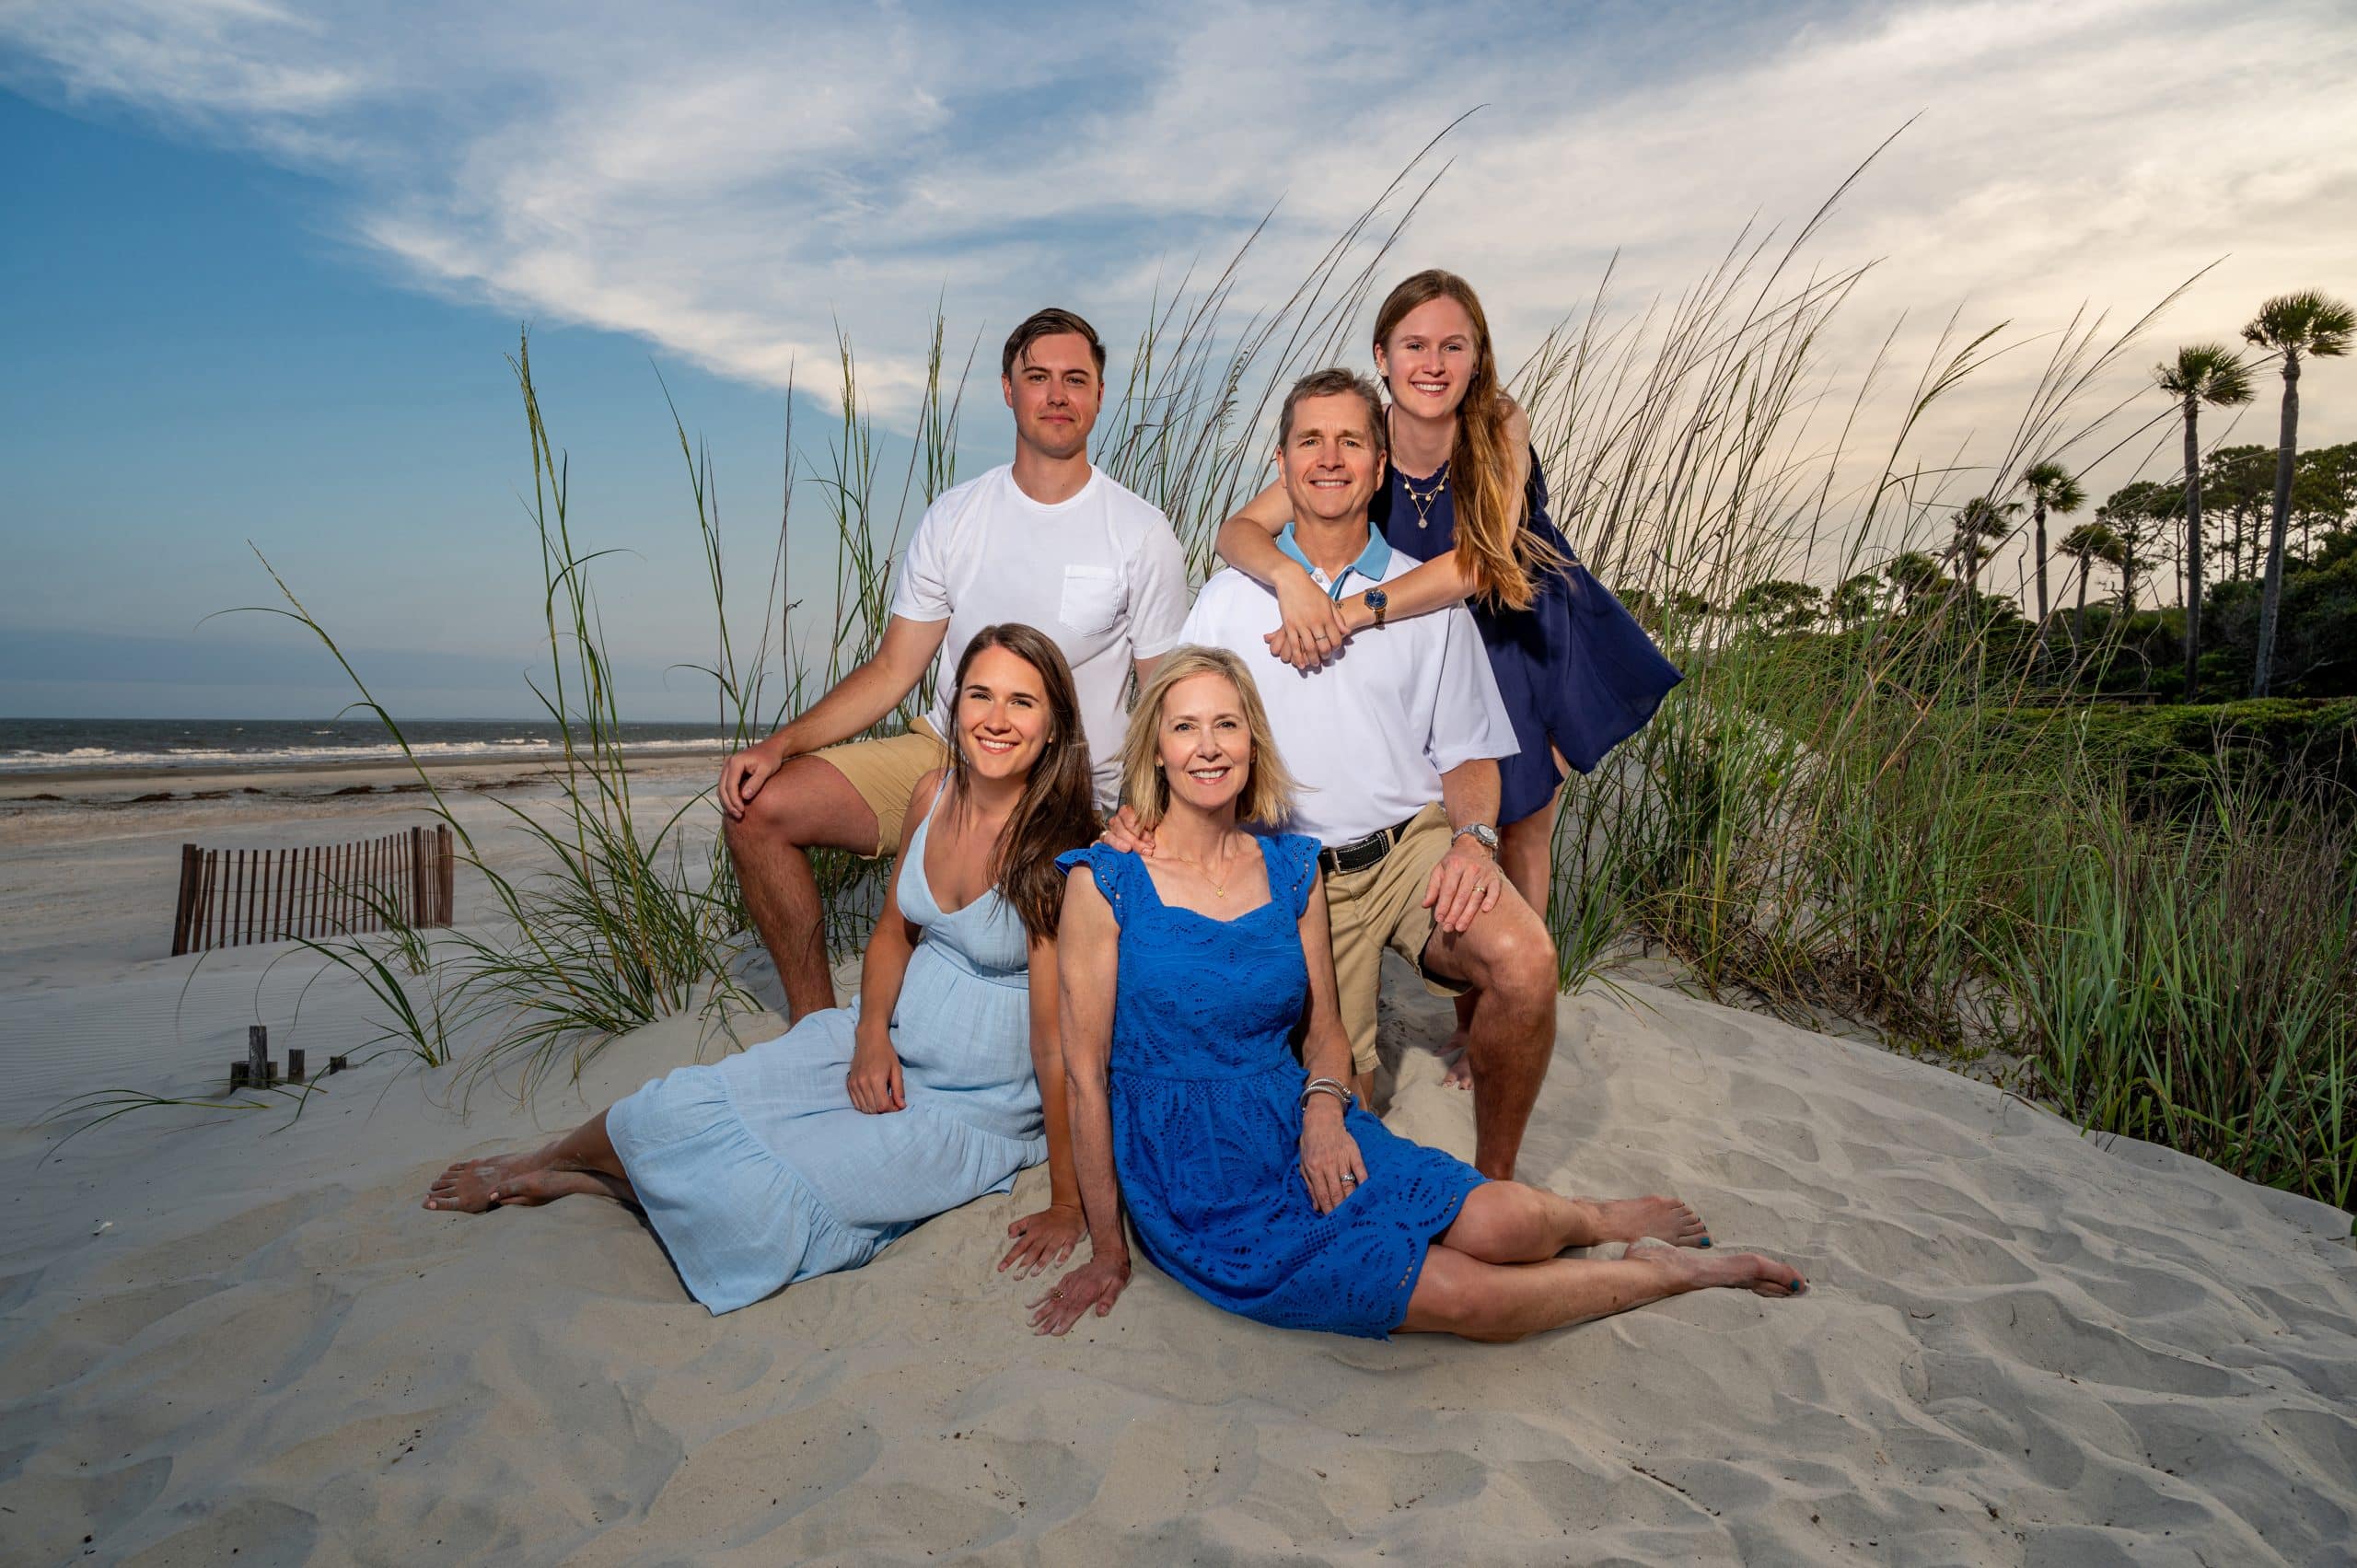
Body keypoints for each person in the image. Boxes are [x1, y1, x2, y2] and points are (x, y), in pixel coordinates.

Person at [1030, 646, 1805, 1342]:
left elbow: (1326, 1035)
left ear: (1251, 742)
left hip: (1298, 1123)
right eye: (1186, 728)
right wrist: (1108, 1247)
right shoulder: (1106, 884)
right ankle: (1670, 1273)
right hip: (1199, 1174)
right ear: (1155, 752)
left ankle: (1595, 1219)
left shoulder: (1290, 869)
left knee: (1506, 1219)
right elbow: (1087, 1076)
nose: (1208, 747)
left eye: (1226, 725)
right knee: (1472, 1300)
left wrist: (1326, 1115)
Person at [424, 625, 1099, 1315]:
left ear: (1053, 726)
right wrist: (870, 1032)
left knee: (760, 1203)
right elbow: (895, 933)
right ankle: (546, 1160)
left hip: (970, 1106)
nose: (996, 718)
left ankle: (591, 1182)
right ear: (954, 708)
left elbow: (1054, 1045)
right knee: (672, 1106)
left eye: (1022, 702)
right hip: (889, 1040)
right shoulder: (932, 794)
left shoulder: (1056, 846)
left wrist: (1068, 1202)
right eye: (980, 694)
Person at [1213, 271, 1681, 1085]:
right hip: (1427, 628)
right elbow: (1238, 531)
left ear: (1476, 357)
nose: (1433, 363)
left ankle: (1505, 1014)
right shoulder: (1361, 436)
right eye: (1415, 345)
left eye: (1452, 346)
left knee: (1525, 813)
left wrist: (1354, 611)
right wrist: (1292, 581)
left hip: (1515, 619)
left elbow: (1481, 561)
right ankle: (1469, 1000)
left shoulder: (1497, 421)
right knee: (1442, 799)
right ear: (1383, 356)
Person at [1126, 366, 1553, 1181]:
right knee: (1341, 1113)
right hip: (1293, 876)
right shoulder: (1229, 600)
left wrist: (1472, 839)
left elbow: (1466, 751)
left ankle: (1499, 1180)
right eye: (1309, 441)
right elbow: (1174, 732)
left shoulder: (1424, 600)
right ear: (1280, 467)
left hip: (1408, 854)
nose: (1330, 457)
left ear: (1381, 464)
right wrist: (1139, 817)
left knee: (1526, 963)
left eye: (1351, 440)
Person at [720, 308, 1190, 1022]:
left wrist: (1143, 810)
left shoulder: (1139, 531)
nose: (1056, 394)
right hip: (947, 755)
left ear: (1099, 396)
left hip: (1073, 783)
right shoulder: (955, 515)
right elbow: (892, 669)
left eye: (1075, 379)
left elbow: (1165, 698)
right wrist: (780, 744)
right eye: (1038, 377)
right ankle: (814, 1030)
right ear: (1008, 389)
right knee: (755, 809)